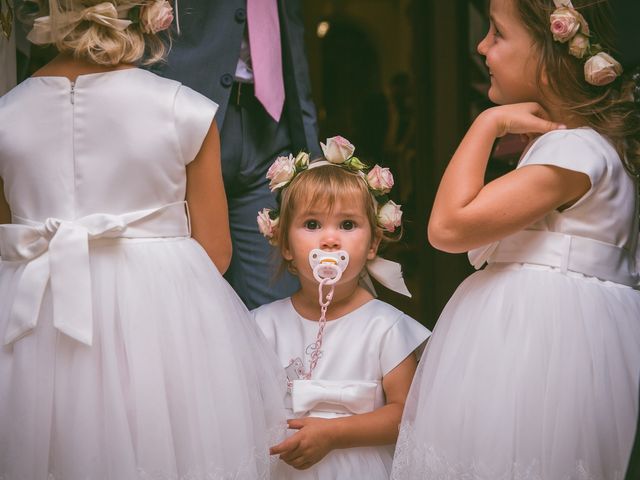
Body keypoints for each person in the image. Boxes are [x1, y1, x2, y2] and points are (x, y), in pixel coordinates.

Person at [0, 1, 286, 478]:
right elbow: (215, 251)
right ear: (152, 13)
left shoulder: (6, 116)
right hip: (158, 335)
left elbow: (9, 241)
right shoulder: (184, 110)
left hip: (30, 329)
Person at [391, 0, 640, 478]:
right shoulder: (579, 146)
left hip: (548, 343)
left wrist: (488, 123)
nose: (482, 46)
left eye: (497, 33)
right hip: (545, 332)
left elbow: (447, 227)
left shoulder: (574, 150)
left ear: (549, 57)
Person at [251, 136, 431, 479]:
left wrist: (334, 434)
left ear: (374, 242)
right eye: (312, 224)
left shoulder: (387, 328)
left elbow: (405, 414)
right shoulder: (261, 325)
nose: (330, 239)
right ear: (285, 243)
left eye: (347, 225)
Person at [154, 0, 320, 310]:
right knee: (182, 301)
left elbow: (290, 37)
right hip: (179, 121)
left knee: (278, 303)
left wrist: (310, 151)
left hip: (267, 129)